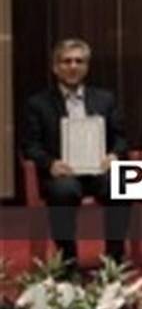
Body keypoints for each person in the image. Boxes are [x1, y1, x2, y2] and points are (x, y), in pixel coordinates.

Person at [21, 39, 130, 263]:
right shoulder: (38, 104)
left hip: (99, 170)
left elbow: (121, 138)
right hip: (62, 173)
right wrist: (50, 164)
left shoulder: (105, 99)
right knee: (64, 191)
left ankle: (115, 258)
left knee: (124, 184)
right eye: (66, 61)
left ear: (87, 67)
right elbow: (30, 146)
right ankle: (68, 259)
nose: (73, 66)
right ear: (55, 67)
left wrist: (114, 156)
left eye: (79, 61)